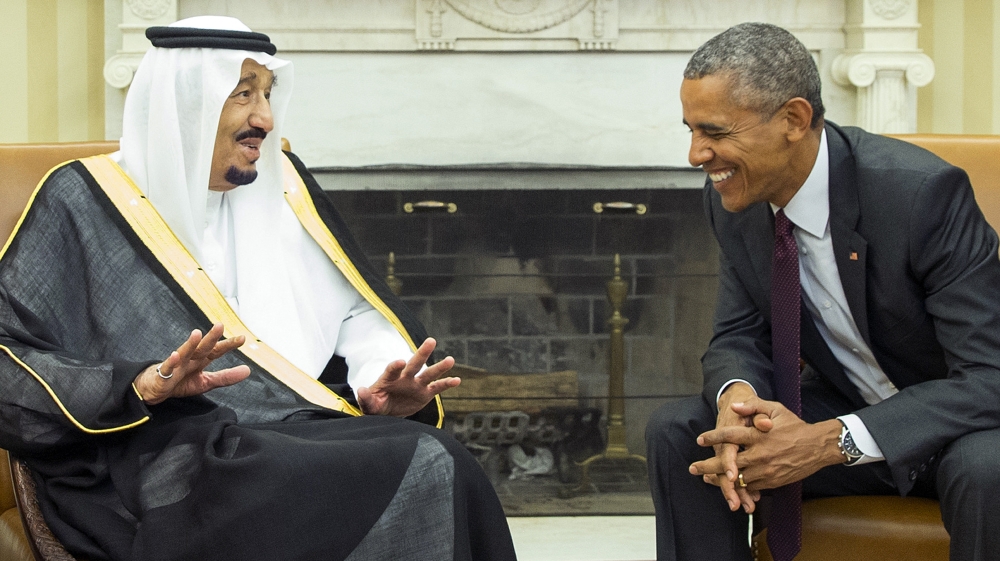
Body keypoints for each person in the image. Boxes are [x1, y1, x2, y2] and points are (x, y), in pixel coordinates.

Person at [0, 16, 517, 561]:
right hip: (162, 447)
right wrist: (139, 384)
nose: (265, 119)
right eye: (243, 93)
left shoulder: (283, 183)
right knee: (366, 466)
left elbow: (352, 309)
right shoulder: (82, 197)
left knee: (439, 456)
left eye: (267, 93)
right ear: (187, 103)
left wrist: (375, 377)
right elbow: (9, 352)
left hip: (295, 425)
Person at [645, 22, 1000, 561]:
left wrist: (829, 441)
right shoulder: (734, 201)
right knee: (684, 433)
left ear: (793, 119)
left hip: (951, 429)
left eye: (714, 132)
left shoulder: (921, 195)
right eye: (691, 130)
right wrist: (738, 402)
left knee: (989, 466)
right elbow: (737, 335)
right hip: (846, 408)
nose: (697, 154)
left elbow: (988, 375)